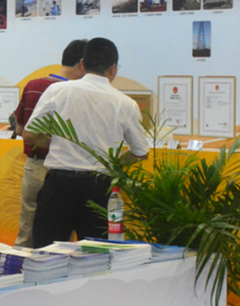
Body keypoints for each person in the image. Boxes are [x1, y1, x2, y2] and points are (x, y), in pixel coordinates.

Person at [25, 37, 149, 246]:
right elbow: (141, 152)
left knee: (47, 254)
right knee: (96, 256)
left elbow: (30, 134)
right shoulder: (126, 104)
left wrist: (59, 144)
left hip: (59, 186)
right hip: (99, 188)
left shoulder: (58, 91)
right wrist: (113, 163)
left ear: (82, 64)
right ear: (113, 69)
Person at [11, 39, 87, 247]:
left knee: (27, 229)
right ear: (82, 64)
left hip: (33, 167)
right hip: (62, 170)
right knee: (61, 236)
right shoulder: (74, 92)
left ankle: (19, 266)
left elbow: (19, 130)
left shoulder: (33, 86)